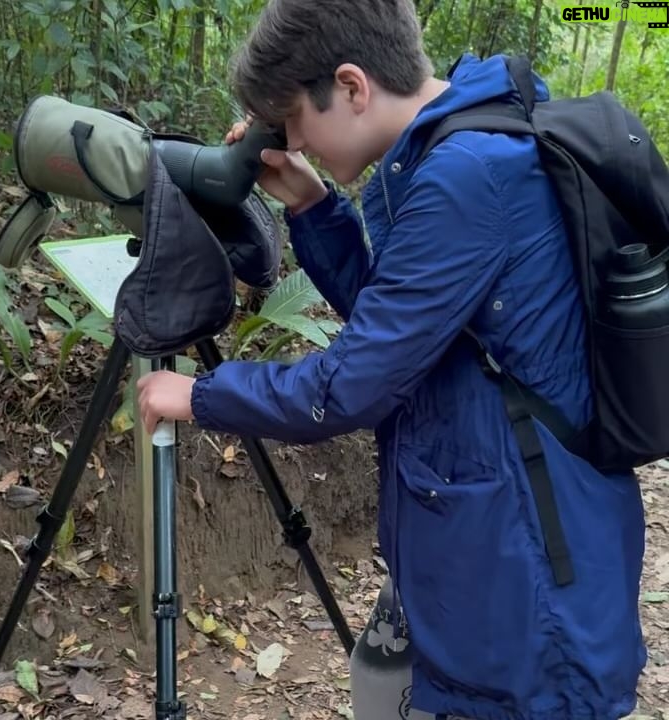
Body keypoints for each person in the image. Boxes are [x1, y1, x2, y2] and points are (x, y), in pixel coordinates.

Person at [136, 0, 648, 718]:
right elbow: (410, 329)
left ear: (351, 86)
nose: (293, 142)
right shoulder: (465, 145)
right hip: (503, 540)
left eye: (293, 120)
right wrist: (315, 210)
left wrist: (200, 394)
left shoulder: (469, 175)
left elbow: (350, 385)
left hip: (531, 576)